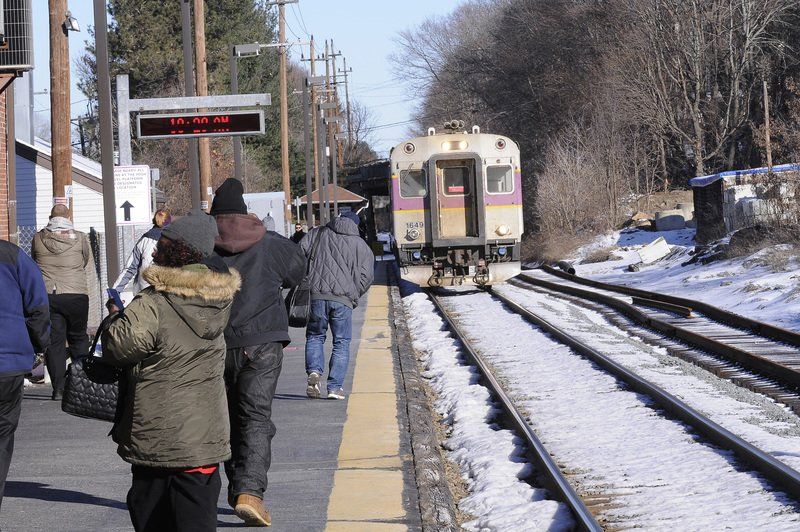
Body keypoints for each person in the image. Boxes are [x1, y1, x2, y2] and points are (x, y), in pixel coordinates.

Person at [101, 212, 241, 532]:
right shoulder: (220, 298)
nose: (154, 251)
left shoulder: (154, 302)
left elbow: (120, 347)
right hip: (205, 438)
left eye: (162, 244)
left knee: (152, 516)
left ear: (179, 250)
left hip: (158, 435)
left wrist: (113, 320)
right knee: (197, 519)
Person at [210, 178, 306, 526]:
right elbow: (299, 270)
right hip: (262, 342)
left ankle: (237, 488)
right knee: (255, 416)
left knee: (225, 419)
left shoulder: (203, 242)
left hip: (213, 345)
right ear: (244, 207)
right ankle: (249, 493)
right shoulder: (270, 242)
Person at [302, 210, 374, 400]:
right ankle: (334, 388)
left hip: (316, 296)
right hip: (343, 301)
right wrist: (353, 293)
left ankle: (314, 373)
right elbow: (367, 276)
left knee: (315, 336)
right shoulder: (361, 245)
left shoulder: (317, 234)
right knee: (341, 342)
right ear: (356, 225)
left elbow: (298, 256)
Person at [0, 240, 49, 511]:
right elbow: (38, 305)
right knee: (3, 434)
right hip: (8, 361)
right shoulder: (12, 255)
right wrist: (39, 345)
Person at [31, 204, 92, 400]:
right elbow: (85, 260)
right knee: (79, 338)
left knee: (55, 342)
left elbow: (34, 259)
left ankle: (58, 388)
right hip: (76, 294)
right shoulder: (81, 237)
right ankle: (82, 385)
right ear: (68, 217)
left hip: (50, 294)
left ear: (50, 217)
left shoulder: (38, 238)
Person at [109, 209, 171, 308]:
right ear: (169, 222)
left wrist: (114, 292)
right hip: (169, 297)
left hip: (144, 296)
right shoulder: (175, 241)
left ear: (154, 221)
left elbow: (130, 269)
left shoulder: (144, 240)